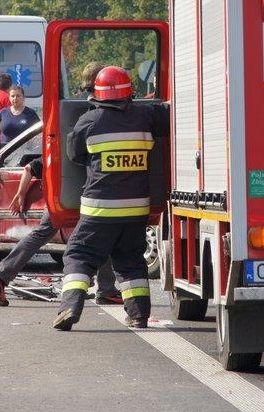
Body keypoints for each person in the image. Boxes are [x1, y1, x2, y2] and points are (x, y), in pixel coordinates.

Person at [52, 66, 169, 331]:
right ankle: (138, 316)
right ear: (130, 92)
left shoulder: (89, 121)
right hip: (136, 209)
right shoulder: (146, 116)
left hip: (99, 210)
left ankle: (70, 306)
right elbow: (170, 115)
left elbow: (74, 154)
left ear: (98, 94)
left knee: (79, 255)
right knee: (130, 261)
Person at [0, 156, 122, 307]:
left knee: (40, 234)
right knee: (102, 232)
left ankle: (1, 276)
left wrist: (21, 193)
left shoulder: (56, 149)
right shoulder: (87, 149)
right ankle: (106, 290)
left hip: (59, 199)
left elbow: (28, 168)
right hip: (86, 196)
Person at [0, 85, 39, 150]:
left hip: (24, 151)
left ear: (23, 98)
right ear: (9, 98)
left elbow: (38, 134)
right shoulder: (3, 112)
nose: (15, 98)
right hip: (5, 151)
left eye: (18, 96)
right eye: (12, 96)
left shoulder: (31, 113)